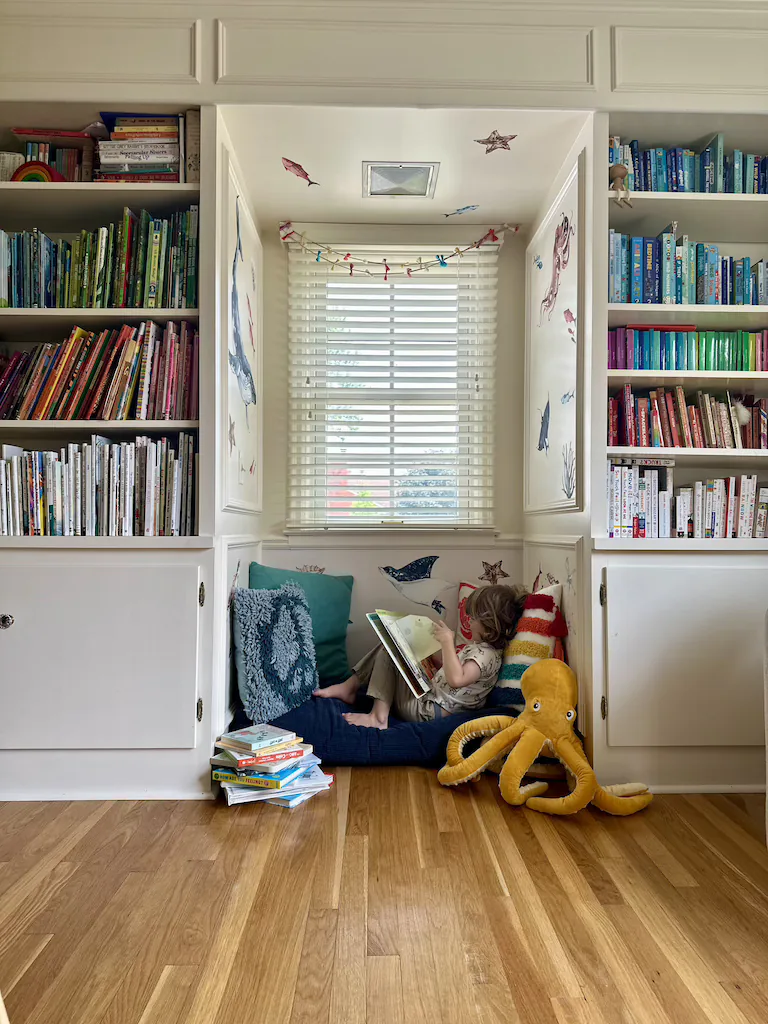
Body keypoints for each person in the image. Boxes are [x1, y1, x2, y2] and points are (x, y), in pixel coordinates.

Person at [313, 584, 527, 730]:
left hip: (427, 711)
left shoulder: (486, 656)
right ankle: (350, 687)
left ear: (490, 623)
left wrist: (447, 642)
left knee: (391, 651)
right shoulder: (481, 650)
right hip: (431, 698)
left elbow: (458, 679)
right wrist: (429, 656)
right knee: (393, 642)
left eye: (473, 617)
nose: (468, 619)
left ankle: (378, 717)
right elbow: (454, 673)